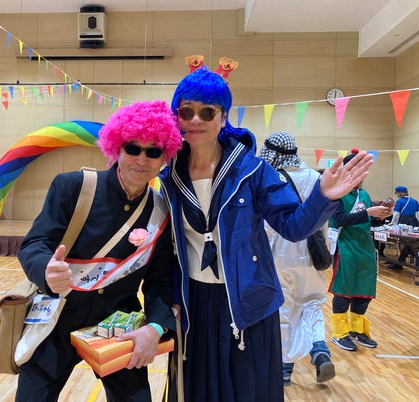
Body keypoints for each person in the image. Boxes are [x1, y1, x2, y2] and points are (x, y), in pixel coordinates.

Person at [158, 66, 373, 402]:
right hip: (194, 301)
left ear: (223, 117)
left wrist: (323, 196)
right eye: (186, 112)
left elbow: (293, 225)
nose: (196, 120)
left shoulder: (253, 170)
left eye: (207, 112)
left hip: (248, 299)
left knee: (249, 390)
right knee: (200, 390)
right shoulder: (170, 176)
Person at [15, 100, 182, 402]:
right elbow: (35, 244)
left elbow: (159, 281)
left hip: (118, 327)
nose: (142, 159)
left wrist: (156, 327)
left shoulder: (161, 212)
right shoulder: (73, 187)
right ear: (117, 148)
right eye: (133, 148)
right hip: (56, 320)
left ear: (164, 157)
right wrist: (46, 271)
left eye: (153, 151)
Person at [259, 131, 335, 387]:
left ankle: (284, 369)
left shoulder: (273, 179)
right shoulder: (316, 178)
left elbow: (266, 225)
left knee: (284, 311)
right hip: (312, 254)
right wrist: (324, 251)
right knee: (312, 303)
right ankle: (319, 349)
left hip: (280, 253)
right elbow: (323, 221)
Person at [328, 149, 393, 352]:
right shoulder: (336, 193)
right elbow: (339, 219)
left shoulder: (363, 194)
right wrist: (368, 212)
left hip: (365, 248)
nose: (362, 175)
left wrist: (381, 215)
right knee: (344, 290)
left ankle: (357, 330)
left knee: (364, 291)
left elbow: (367, 219)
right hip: (345, 247)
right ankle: (339, 333)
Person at [387, 185, 419, 270]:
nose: (397, 195)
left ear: (400, 193)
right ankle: (400, 262)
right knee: (412, 242)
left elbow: (396, 214)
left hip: (403, 223)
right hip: (414, 223)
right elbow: (417, 214)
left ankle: (403, 262)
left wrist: (392, 222)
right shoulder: (415, 201)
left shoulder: (400, 201)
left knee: (403, 243)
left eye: (397, 193)